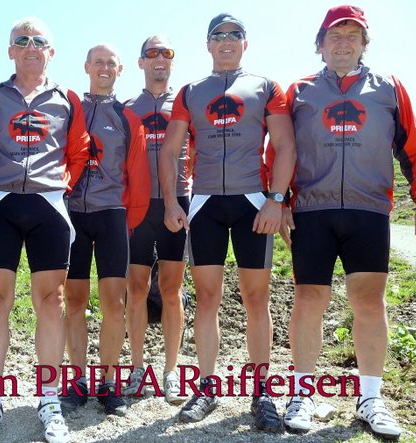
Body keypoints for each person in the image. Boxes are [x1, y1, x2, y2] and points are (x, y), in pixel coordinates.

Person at [280, 5, 416, 439]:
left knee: (369, 302)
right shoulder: (299, 91)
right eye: (335, 35)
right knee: (309, 299)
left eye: (352, 36)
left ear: (364, 44)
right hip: (312, 211)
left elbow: (414, 148)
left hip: (367, 211)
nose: (343, 43)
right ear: (320, 44)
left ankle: (370, 398)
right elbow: (281, 150)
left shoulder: (389, 88)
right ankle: (303, 393)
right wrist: (280, 200)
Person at [159, 13, 296, 431]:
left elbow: (285, 144)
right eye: (218, 35)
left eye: (235, 34)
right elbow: (169, 151)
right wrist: (171, 202)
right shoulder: (191, 91)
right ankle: (206, 387)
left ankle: (262, 391)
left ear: (245, 43)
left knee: (256, 298)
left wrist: (276, 200)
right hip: (205, 205)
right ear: (208, 44)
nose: (226, 41)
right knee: (206, 298)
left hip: (253, 201)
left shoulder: (265, 87)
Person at [0, 17, 89, 443]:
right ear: (10, 51)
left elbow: (79, 150)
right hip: (0, 203)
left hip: (48, 204)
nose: (31, 46)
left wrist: (60, 186)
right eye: (22, 40)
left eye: (39, 41)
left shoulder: (67, 99)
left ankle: (50, 399)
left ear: (50, 52)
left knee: (51, 302)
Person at [61, 43, 150, 416]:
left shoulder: (128, 118)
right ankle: (78, 380)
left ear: (120, 69)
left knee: (114, 303)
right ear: (86, 66)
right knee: (74, 301)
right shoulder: (69, 111)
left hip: (112, 215)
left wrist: (127, 222)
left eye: (110, 63)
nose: (104, 68)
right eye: (98, 62)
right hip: (73, 215)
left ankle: (109, 383)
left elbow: (139, 176)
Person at [123, 35, 191, 405]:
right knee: (135, 288)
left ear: (172, 62)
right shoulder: (127, 107)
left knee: (171, 289)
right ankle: (137, 368)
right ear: (141, 62)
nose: (160, 58)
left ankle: (171, 371)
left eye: (167, 53)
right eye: (152, 53)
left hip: (175, 203)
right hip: (137, 206)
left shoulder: (185, 103)